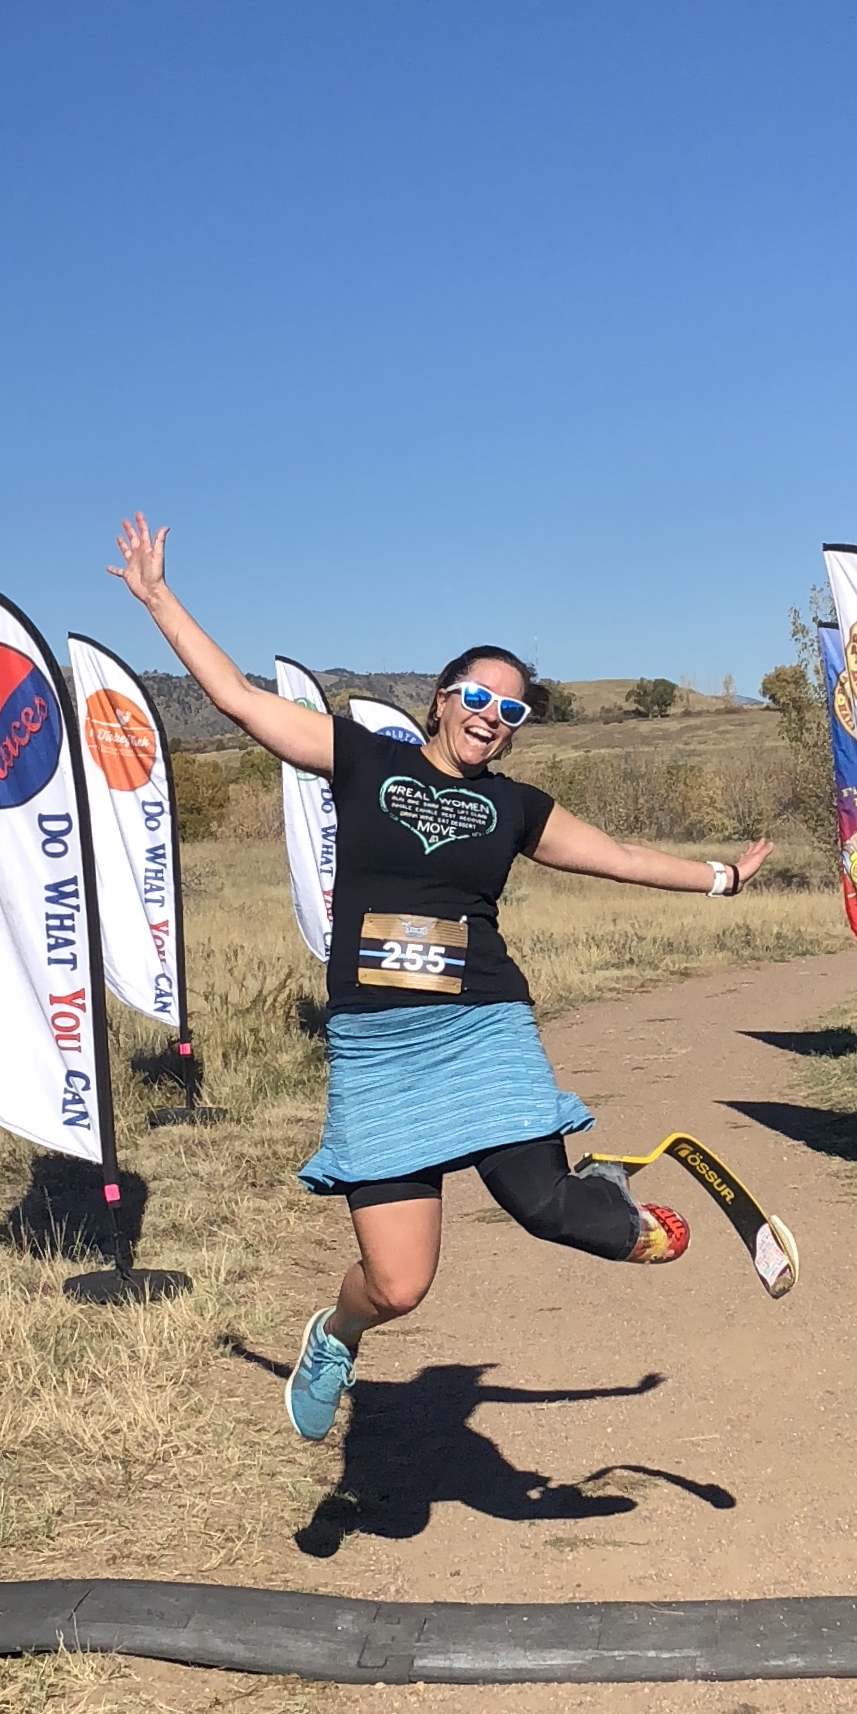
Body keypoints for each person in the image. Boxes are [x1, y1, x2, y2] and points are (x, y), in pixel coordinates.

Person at [111, 513, 771, 1442]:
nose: (490, 717)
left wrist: (722, 877)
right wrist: (157, 598)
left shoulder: (516, 807)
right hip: (379, 1049)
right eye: (477, 696)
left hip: (479, 1027)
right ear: (439, 697)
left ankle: (606, 1205)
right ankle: (335, 1336)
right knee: (398, 1283)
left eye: (512, 711)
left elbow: (619, 854)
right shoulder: (360, 758)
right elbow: (237, 701)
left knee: (545, 1207)